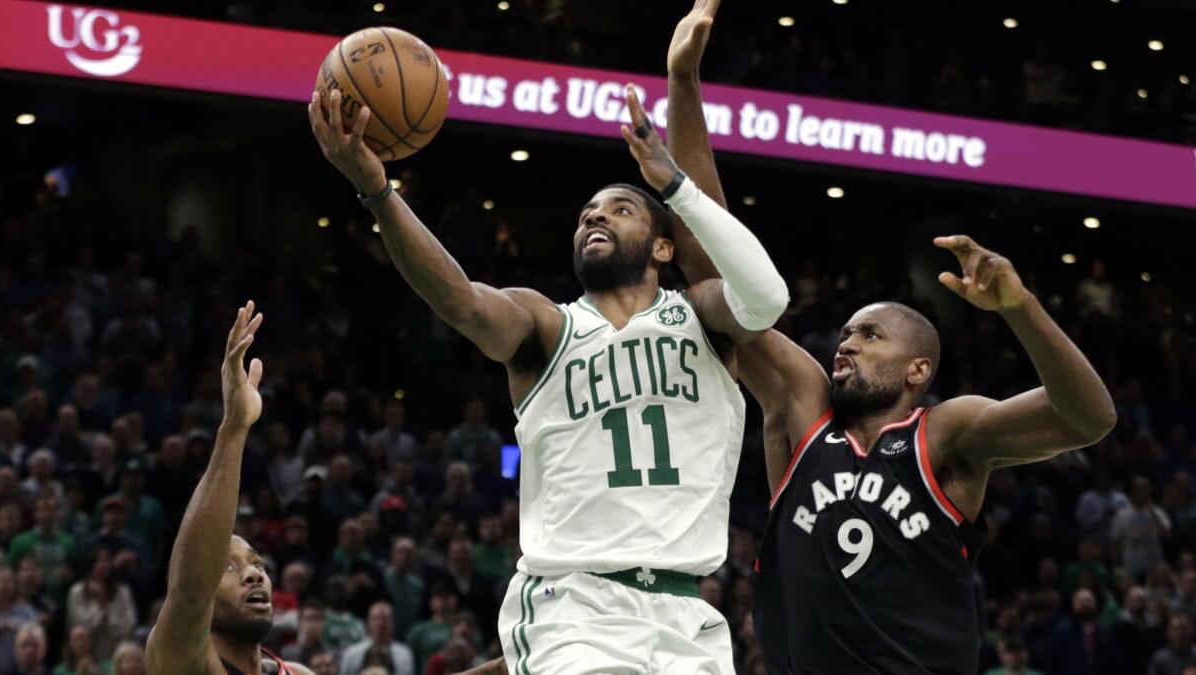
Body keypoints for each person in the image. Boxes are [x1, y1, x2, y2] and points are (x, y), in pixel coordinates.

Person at [309, 32, 788, 672]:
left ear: (663, 247)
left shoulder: (702, 317)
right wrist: (378, 190)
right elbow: (460, 301)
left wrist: (674, 183)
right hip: (574, 605)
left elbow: (768, 296)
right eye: (588, 213)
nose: (596, 218)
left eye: (619, 210)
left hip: (686, 614)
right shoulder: (546, 325)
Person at [662, 2, 1117, 672]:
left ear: (917, 371)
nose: (844, 344)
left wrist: (1019, 309)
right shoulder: (804, 405)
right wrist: (684, 82)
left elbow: (1089, 417)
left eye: (869, 335)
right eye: (845, 333)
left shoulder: (946, 435)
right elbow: (715, 268)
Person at [145, 302, 314, 675]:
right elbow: (191, 591)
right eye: (228, 567)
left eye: (257, 564)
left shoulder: (296, 673)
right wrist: (234, 429)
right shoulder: (182, 658)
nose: (253, 575)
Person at [338, 601, 414, 675]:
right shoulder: (352, 654)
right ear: (368, 623)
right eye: (375, 619)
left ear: (393, 623)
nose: (380, 623)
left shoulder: (404, 655)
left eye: (385, 619)